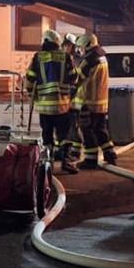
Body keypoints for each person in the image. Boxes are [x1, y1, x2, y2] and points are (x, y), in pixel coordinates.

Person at [25, 29, 77, 174]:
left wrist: (31, 94)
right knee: (64, 135)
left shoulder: (38, 57)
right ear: (57, 42)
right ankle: (66, 162)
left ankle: (47, 165)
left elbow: (29, 79)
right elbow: (74, 77)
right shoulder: (65, 56)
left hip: (44, 107)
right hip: (62, 105)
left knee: (47, 135)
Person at [73, 33, 117, 168]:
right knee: (101, 130)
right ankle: (110, 155)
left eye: (81, 47)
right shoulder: (102, 56)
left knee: (88, 131)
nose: (80, 50)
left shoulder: (89, 60)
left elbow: (77, 79)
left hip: (88, 102)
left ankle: (90, 160)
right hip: (101, 102)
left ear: (88, 45)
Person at [60, 32, 83, 172]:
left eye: (68, 46)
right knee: (67, 128)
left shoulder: (76, 60)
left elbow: (76, 80)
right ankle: (65, 153)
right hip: (67, 99)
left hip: (75, 99)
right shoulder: (67, 58)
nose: (66, 48)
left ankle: (74, 152)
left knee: (73, 128)